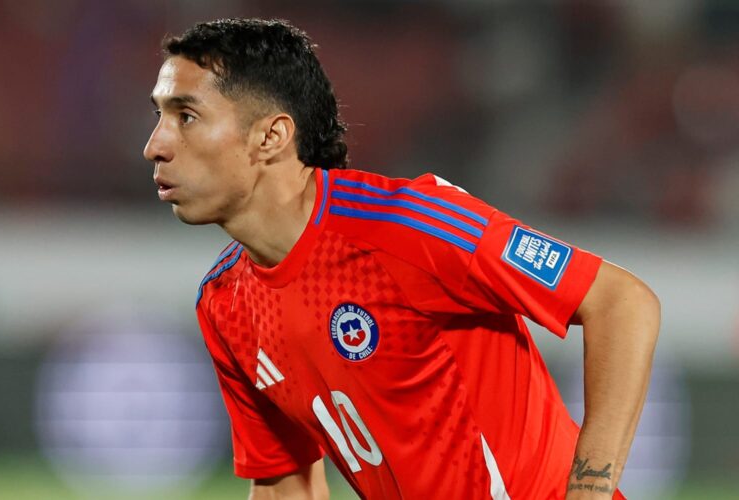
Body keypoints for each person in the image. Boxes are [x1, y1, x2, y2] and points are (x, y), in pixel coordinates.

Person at [143, 18, 660, 500]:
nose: (155, 146)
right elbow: (285, 482)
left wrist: (589, 492)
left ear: (272, 136)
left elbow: (622, 302)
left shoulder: (405, 226)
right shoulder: (226, 302)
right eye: (160, 116)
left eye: (186, 117)